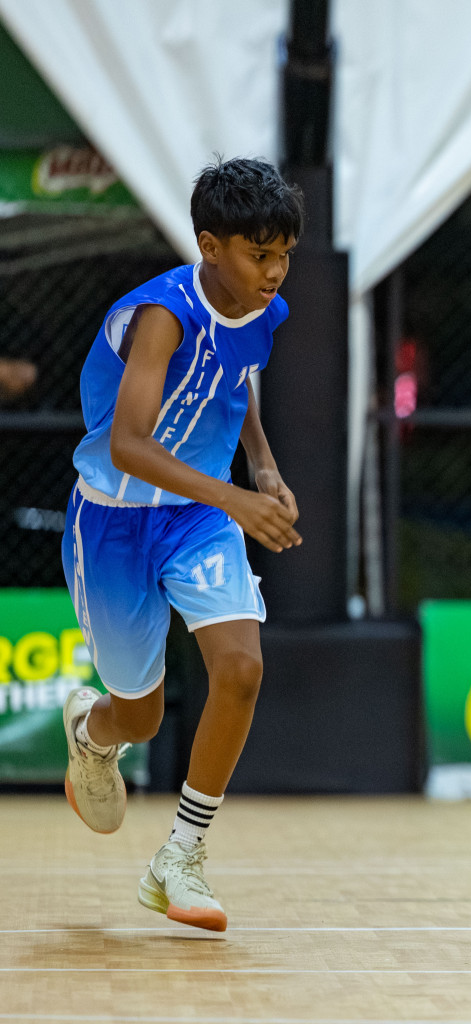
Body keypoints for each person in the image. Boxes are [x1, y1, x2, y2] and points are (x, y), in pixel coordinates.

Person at [59, 158, 305, 932]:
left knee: (239, 668)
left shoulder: (265, 312)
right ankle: (90, 734)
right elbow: (129, 445)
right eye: (258, 254)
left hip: (196, 519)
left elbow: (240, 382)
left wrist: (261, 467)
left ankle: (181, 857)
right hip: (114, 519)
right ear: (208, 245)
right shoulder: (162, 317)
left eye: (284, 255)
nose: (274, 273)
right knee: (141, 717)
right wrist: (235, 492)